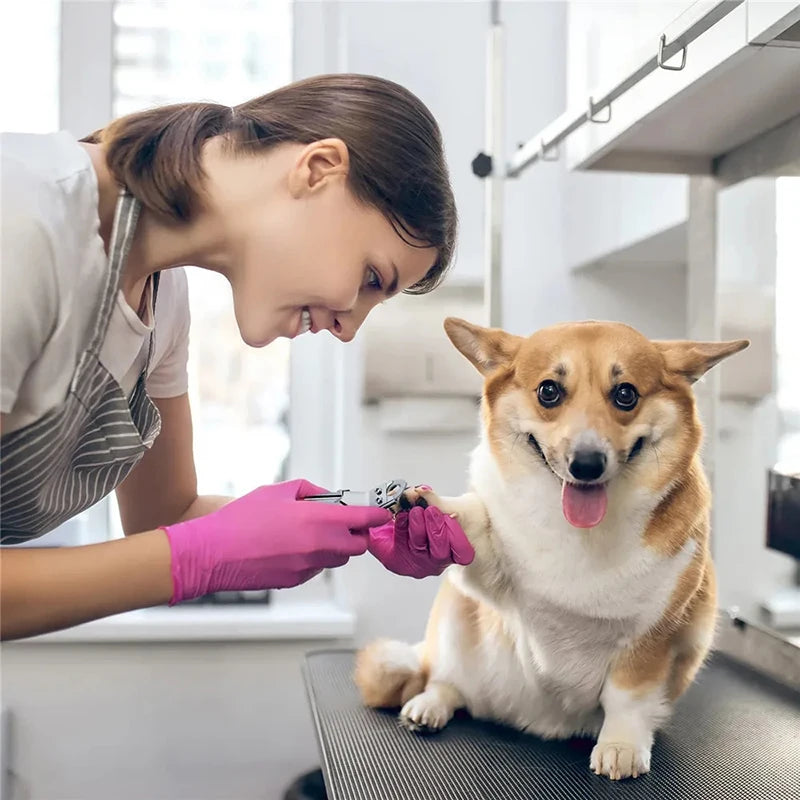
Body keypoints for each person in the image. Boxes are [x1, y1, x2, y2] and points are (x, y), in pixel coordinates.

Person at [0, 74, 474, 641]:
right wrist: (194, 560)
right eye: (373, 278)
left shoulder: (161, 301)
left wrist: (352, 521)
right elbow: (181, 548)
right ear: (319, 169)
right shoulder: (25, 223)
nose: (350, 327)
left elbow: (167, 518)